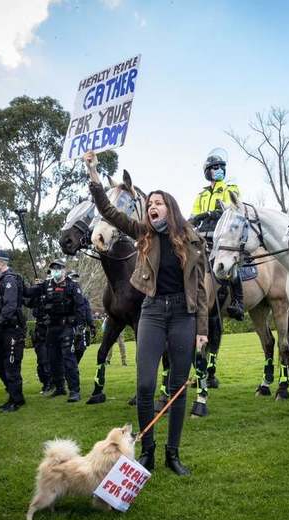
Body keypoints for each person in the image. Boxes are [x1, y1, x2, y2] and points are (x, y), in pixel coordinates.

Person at [86, 150, 208, 476]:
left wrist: (202, 329)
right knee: (144, 386)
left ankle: (173, 454)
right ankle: (149, 453)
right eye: (149, 204)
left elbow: (200, 290)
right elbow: (109, 211)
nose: (152, 207)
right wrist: (94, 174)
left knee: (179, 386)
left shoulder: (193, 240)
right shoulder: (144, 234)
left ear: (171, 207)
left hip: (183, 315)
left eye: (158, 203)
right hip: (152, 313)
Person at [189, 147, 243, 321]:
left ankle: (238, 301)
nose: (219, 170)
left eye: (221, 167)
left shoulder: (230, 188)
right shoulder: (201, 195)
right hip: (202, 235)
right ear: (207, 172)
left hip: (221, 235)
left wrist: (211, 213)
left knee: (227, 263)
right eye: (215, 168)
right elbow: (193, 215)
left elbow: (231, 209)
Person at [25, 260, 85, 402]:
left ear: (64, 270)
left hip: (66, 327)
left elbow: (80, 307)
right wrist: (25, 284)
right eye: (53, 269)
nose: (55, 271)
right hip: (51, 328)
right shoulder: (46, 285)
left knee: (69, 360)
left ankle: (74, 391)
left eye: (58, 268)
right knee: (53, 360)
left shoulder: (72, 286)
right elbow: (29, 293)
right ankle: (59, 387)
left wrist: (79, 328)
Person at [0, 249, 26, 412]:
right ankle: (12, 395)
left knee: (11, 366)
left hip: (11, 329)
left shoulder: (9, 280)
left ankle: (16, 400)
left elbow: (10, 306)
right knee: (2, 366)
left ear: (1, 262)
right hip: (2, 330)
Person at [25, 272, 52, 395]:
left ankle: (52, 383)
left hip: (51, 329)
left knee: (49, 358)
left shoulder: (53, 292)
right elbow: (28, 303)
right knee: (41, 359)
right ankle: (46, 382)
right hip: (39, 329)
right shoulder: (40, 291)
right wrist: (36, 290)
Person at [68, 271, 96, 365]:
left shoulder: (83, 298)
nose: (75, 281)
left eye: (76, 278)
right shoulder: (65, 297)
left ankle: (74, 367)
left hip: (80, 328)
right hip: (68, 327)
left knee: (81, 349)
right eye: (72, 278)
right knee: (68, 350)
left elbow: (87, 312)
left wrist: (92, 326)